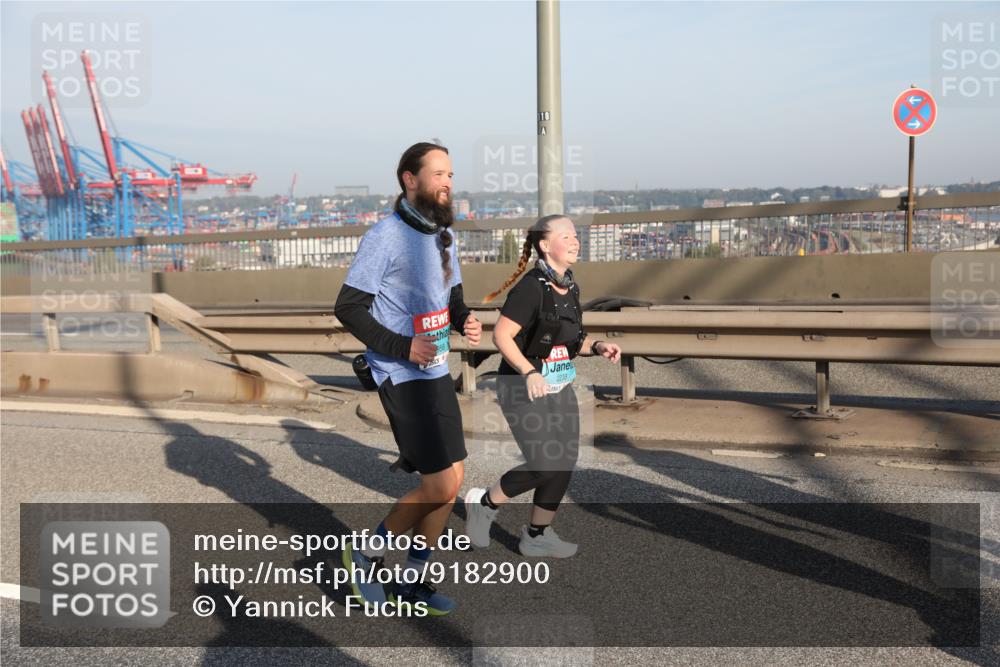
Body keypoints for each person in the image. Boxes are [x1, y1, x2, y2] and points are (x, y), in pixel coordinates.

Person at [334, 142, 482, 615]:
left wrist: (464, 319)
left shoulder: (442, 236)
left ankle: (412, 580)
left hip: (436, 367)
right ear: (409, 179)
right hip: (400, 371)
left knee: (453, 480)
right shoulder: (385, 237)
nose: (447, 183)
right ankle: (365, 556)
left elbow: (451, 294)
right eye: (437, 174)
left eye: (451, 174)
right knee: (438, 486)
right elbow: (348, 307)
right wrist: (402, 346)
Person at [464, 215, 621, 557]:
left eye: (576, 235)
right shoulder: (532, 287)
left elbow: (572, 339)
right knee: (545, 462)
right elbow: (501, 335)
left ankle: (536, 535)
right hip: (522, 387)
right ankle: (484, 504)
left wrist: (597, 346)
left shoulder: (569, 285)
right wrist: (527, 371)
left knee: (564, 461)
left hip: (558, 386)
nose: (575, 241)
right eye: (567, 236)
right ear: (545, 246)